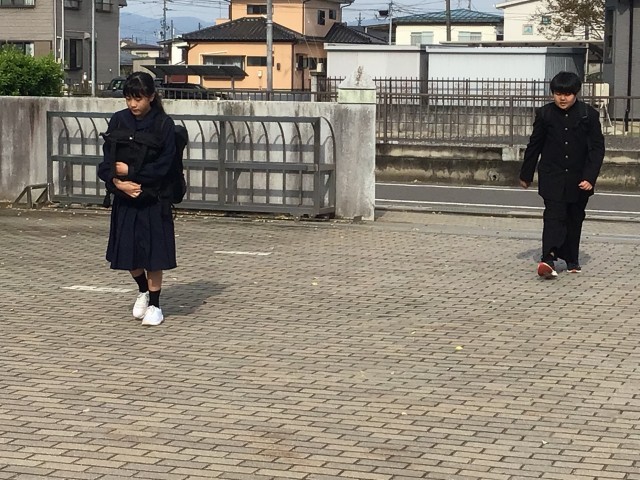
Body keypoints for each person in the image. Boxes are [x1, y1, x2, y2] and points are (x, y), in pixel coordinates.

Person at [98, 71, 177, 325]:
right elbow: (106, 163)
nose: (133, 104)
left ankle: (155, 305)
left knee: (153, 255)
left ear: (151, 97)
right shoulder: (118, 120)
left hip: (154, 199)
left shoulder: (164, 124)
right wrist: (118, 183)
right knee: (127, 253)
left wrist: (131, 174)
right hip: (125, 199)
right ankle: (142, 290)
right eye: (128, 98)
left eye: (138, 98)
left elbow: (165, 166)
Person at [519, 71, 605, 279]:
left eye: (567, 94)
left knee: (574, 218)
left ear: (576, 93)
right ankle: (548, 259)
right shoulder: (545, 114)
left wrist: (590, 178)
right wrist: (526, 174)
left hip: (579, 178)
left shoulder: (588, 115)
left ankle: (572, 259)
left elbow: (597, 149)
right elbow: (535, 145)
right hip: (552, 175)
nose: (562, 98)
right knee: (553, 216)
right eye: (558, 93)